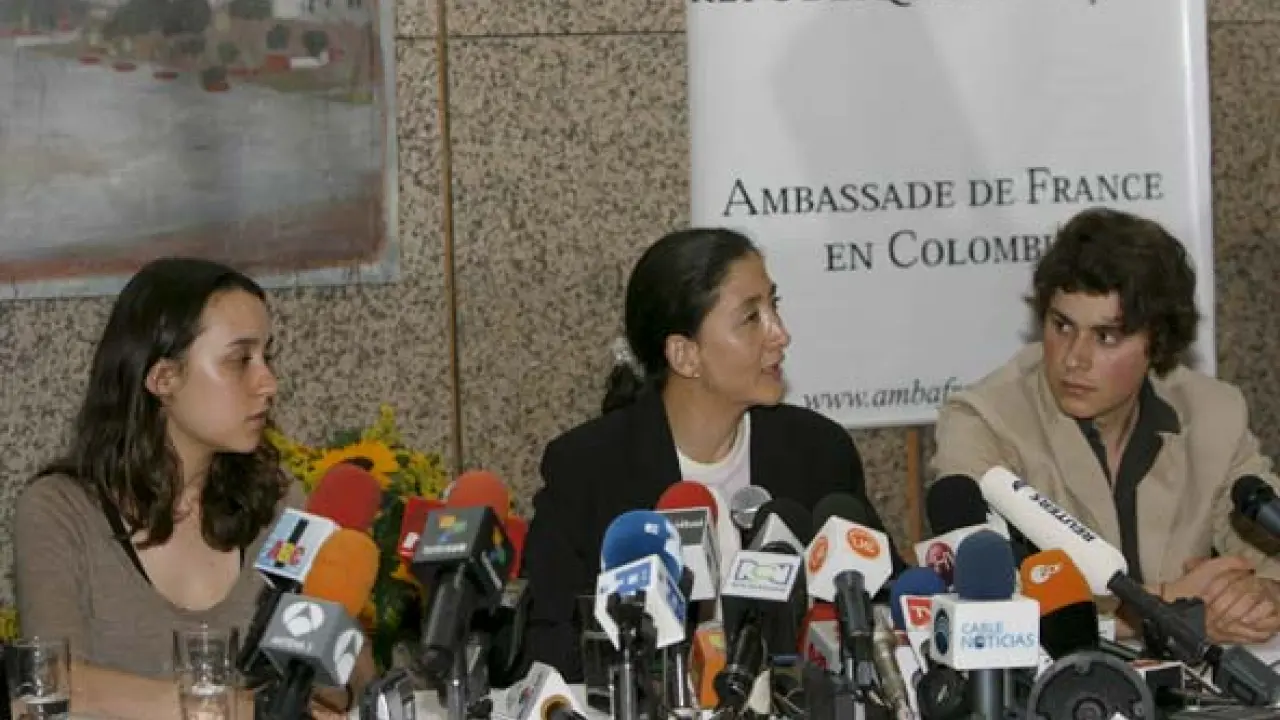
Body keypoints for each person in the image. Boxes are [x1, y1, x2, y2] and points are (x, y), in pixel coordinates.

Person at [523, 227, 902, 681]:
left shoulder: (817, 451)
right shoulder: (588, 469)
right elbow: (547, 644)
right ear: (685, 355)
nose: (781, 335)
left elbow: (884, 601)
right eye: (751, 317)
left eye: (774, 306)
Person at [13, 257, 370, 718]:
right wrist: (237, 707)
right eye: (240, 360)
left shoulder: (279, 503)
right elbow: (53, 684)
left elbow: (342, 685)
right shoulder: (60, 510)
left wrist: (341, 665)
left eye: (267, 356)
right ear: (163, 378)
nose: (268, 383)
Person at [930, 207, 1280, 644]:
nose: (1074, 358)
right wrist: (1169, 610)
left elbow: (1270, 551)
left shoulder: (1214, 414)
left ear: (1156, 343)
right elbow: (995, 609)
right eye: (1062, 326)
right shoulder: (983, 422)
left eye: (1106, 336)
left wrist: (1260, 596)